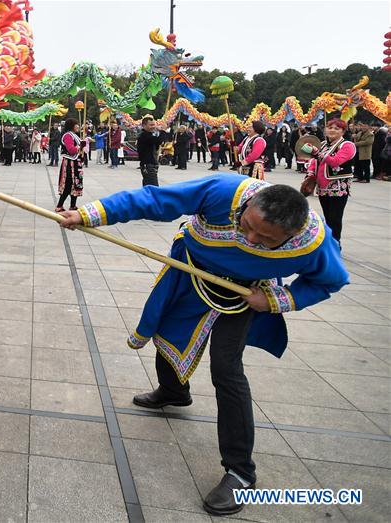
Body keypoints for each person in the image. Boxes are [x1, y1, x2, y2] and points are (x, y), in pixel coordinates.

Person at [59, 174, 348, 517]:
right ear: (247, 206)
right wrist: (91, 214)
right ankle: (173, 392)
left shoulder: (313, 243)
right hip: (192, 271)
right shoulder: (223, 191)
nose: (251, 239)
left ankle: (240, 472)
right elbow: (156, 199)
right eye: (248, 225)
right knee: (165, 333)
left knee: (226, 369)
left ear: (290, 236)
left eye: (266, 239)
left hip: (246, 295)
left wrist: (274, 300)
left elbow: (330, 281)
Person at [301, 118, 356, 245]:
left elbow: (335, 161)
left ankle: (335, 244)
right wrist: (310, 173)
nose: (332, 130)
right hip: (322, 187)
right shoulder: (324, 144)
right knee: (327, 217)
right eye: (330, 127)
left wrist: (317, 152)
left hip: (337, 188)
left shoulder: (347, 145)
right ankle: (329, 243)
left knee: (335, 219)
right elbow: (314, 161)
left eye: (336, 128)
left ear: (343, 131)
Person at [55, 118, 83, 212]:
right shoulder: (68, 136)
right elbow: (71, 150)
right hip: (70, 163)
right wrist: (79, 147)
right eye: (76, 124)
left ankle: (73, 205)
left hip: (76, 163)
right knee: (69, 183)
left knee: (76, 184)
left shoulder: (75, 135)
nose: (78, 126)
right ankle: (59, 205)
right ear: (72, 126)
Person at [136, 116, 164, 186]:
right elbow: (158, 140)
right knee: (153, 188)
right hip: (148, 165)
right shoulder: (144, 135)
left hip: (151, 165)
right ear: (144, 125)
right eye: (151, 125)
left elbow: (156, 144)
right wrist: (163, 131)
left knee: (148, 188)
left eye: (154, 124)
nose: (153, 127)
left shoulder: (149, 135)